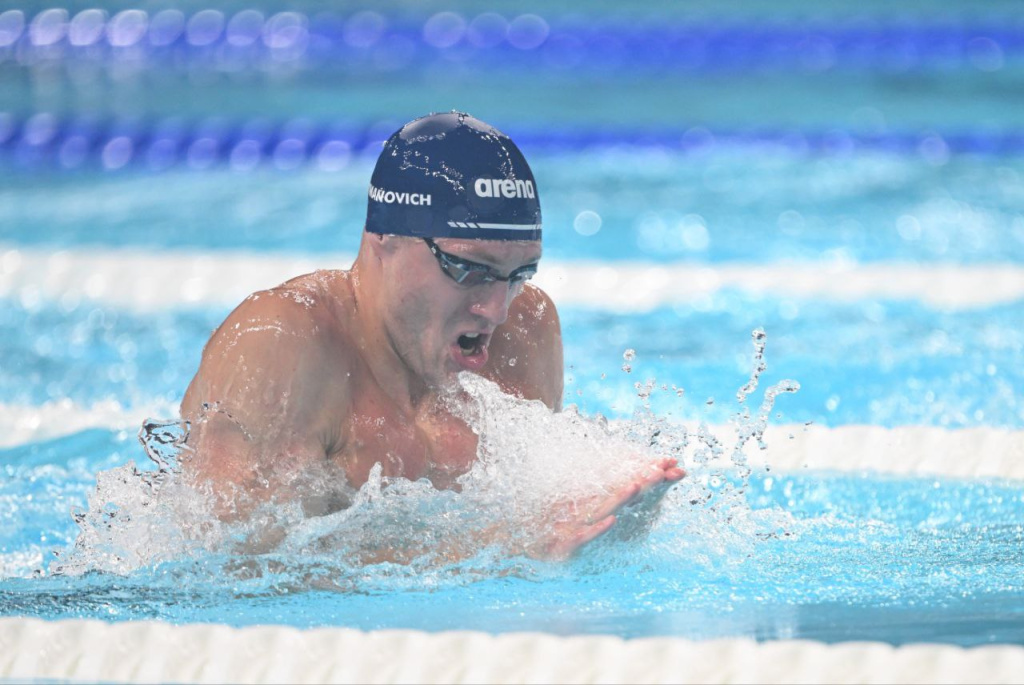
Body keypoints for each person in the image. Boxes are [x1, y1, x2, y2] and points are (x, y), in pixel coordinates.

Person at [180, 111, 684, 560]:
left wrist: (602, 530)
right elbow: (239, 565)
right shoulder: (285, 344)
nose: (496, 308)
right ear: (385, 238)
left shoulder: (525, 330)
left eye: (519, 274)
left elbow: (539, 536)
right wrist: (502, 550)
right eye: (467, 269)